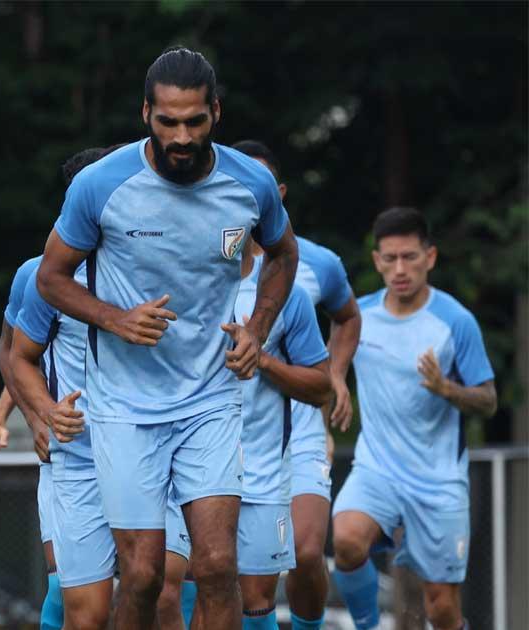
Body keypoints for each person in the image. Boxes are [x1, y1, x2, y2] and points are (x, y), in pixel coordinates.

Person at [35, 47, 298, 630]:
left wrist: (257, 329)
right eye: (168, 121)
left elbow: (284, 254)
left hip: (210, 398)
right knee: (143, 574)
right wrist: (114, 319)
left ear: (216, 113)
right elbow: (50, 278)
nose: (182, 137)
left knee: (217, 565)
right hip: (124, 406)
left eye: (195, 121)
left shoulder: (249, 182)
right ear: (145, 114)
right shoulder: (100, 185)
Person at [332, 207, 497, 630]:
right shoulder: (356, 316)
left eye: (409, 257)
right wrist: (334, 389)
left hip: (437, 480)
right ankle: (369, 626)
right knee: (346, 540)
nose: (400, 269)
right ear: (377, 261)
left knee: (441, 606)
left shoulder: (455, 322)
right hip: (377, 470)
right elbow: (327, 371)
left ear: (430, 257)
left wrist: (448, 389)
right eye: (390, 259)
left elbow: (488, 400)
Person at [0, 146, 112, 630]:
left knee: (165, 585)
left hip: (144, 447)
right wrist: (33, 419)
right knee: (65, 589)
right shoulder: (39, 275)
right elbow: (16, 352)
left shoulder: (147, 267)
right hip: (72, 453)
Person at [158, 234, 332, 630]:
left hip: (259, 471)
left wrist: (263, 360)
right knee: (169, 588)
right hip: (183, 465)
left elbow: (322, 387)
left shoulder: (288, 297)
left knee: (254, 602)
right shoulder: (166, 288)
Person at [231, 140, 361, 630]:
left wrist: (337, 375)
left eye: (259, 185)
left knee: (306, 553)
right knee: (216, 575)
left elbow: (347, 318)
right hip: (227, 433)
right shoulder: (204, 267)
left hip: (297, 429)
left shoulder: (315, 263)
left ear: (278, 193)